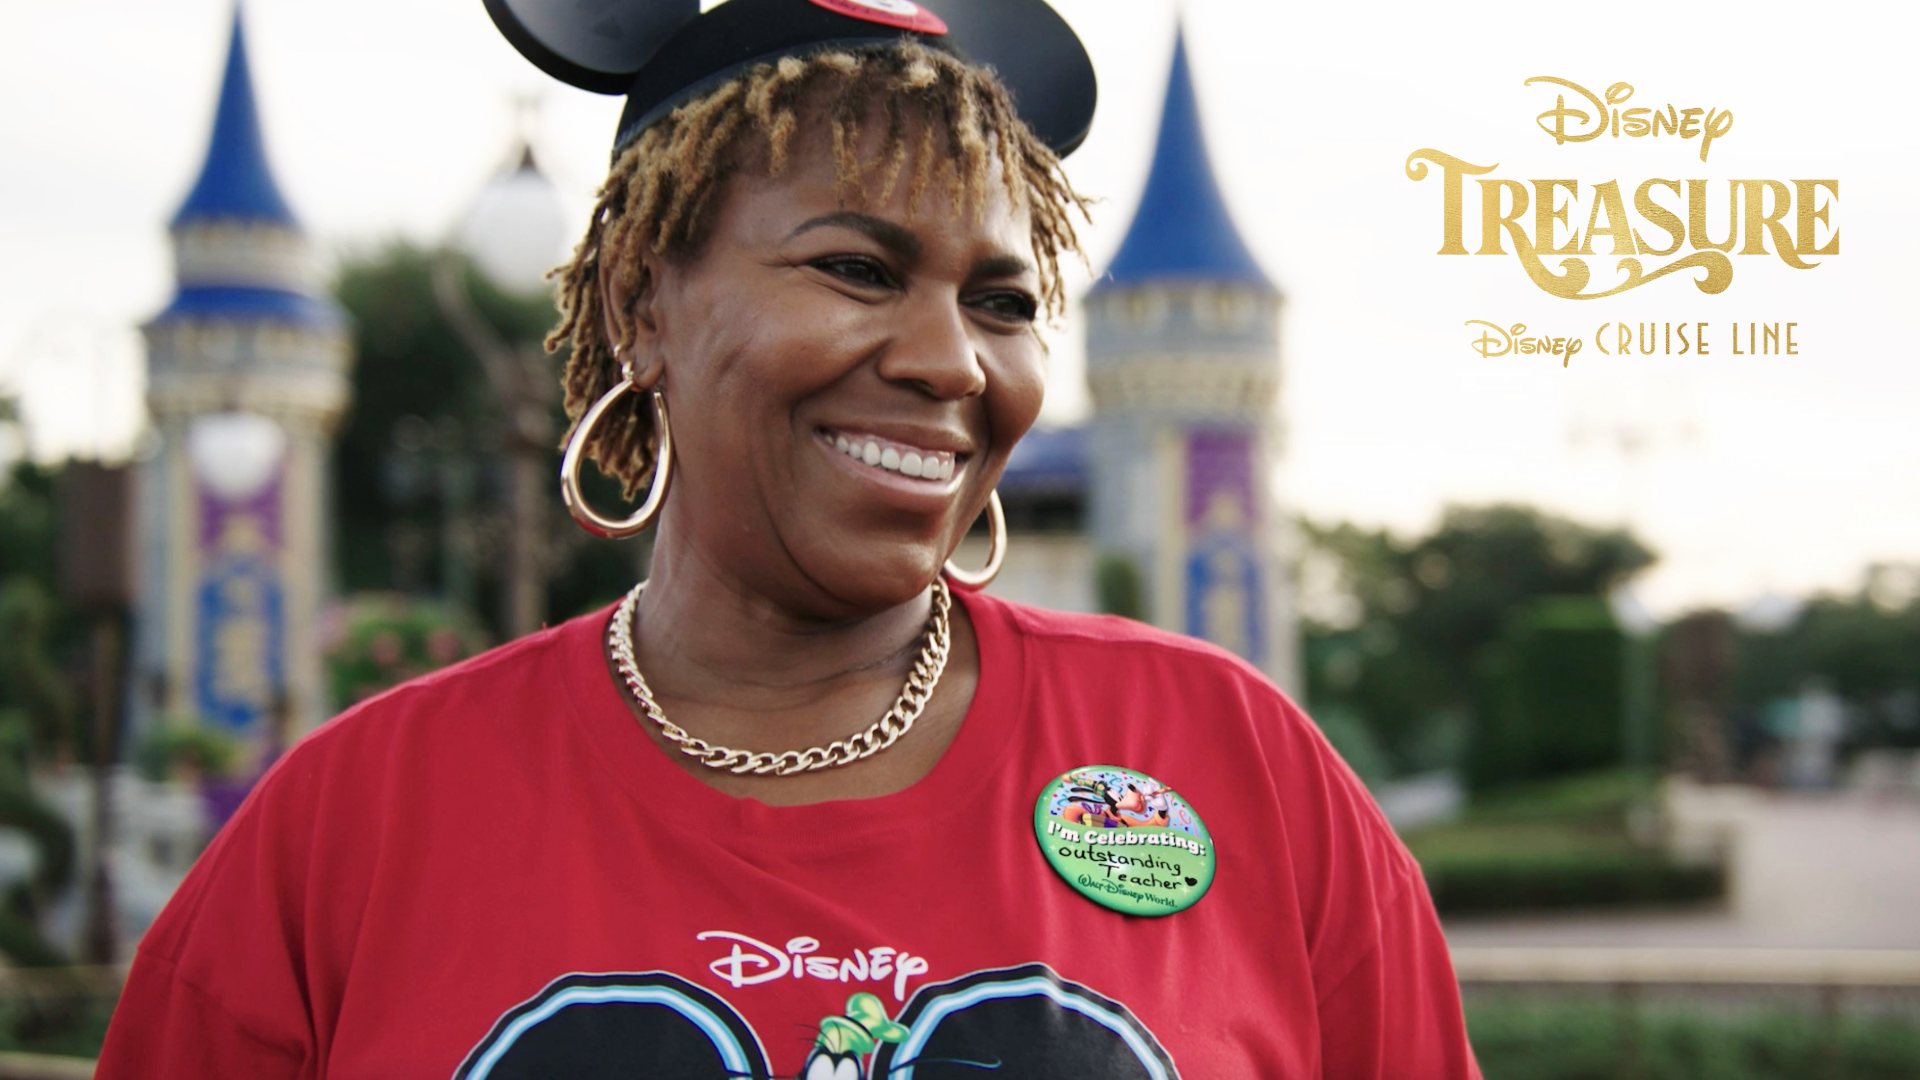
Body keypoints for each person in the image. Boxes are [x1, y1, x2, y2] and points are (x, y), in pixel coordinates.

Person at [98, 0, 1480, 1076]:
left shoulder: (1236, 768)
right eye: (856, 269)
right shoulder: (352, 823)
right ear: (645, 304)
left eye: (1002, 301)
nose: (950, 360)